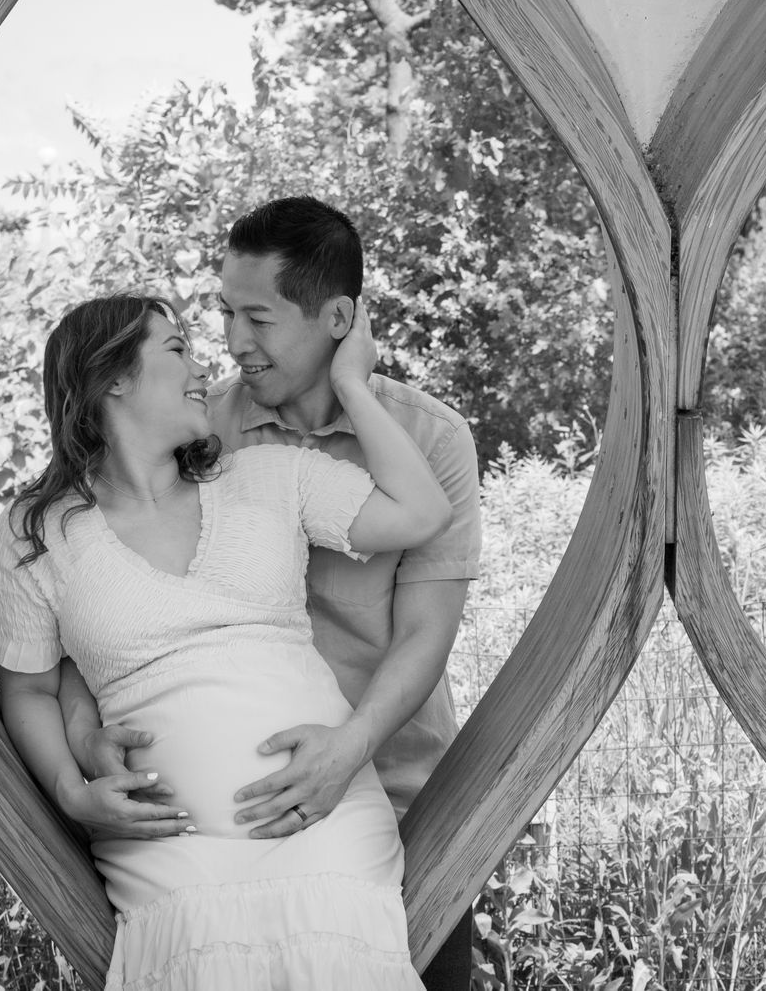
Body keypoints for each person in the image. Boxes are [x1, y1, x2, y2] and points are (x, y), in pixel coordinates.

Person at [59, 197, 484, 987]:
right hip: (216, 843)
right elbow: (90, 597)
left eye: (259, 318)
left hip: (394, 796)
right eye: (225, 314)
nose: (233, 343)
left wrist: (347, 750)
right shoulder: (197, 427)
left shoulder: (430, 439)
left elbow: (427, 633)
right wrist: (85, 742)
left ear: (338, 318)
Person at [0, 293, 450, 989]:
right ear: (112, 377)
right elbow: (28, 689)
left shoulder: (269, 476)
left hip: (321, 826)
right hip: (175, 855)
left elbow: (421, 512)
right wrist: (70, 792)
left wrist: (352, 381)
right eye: (177, 350)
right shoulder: (32, 533)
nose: (206, 367)